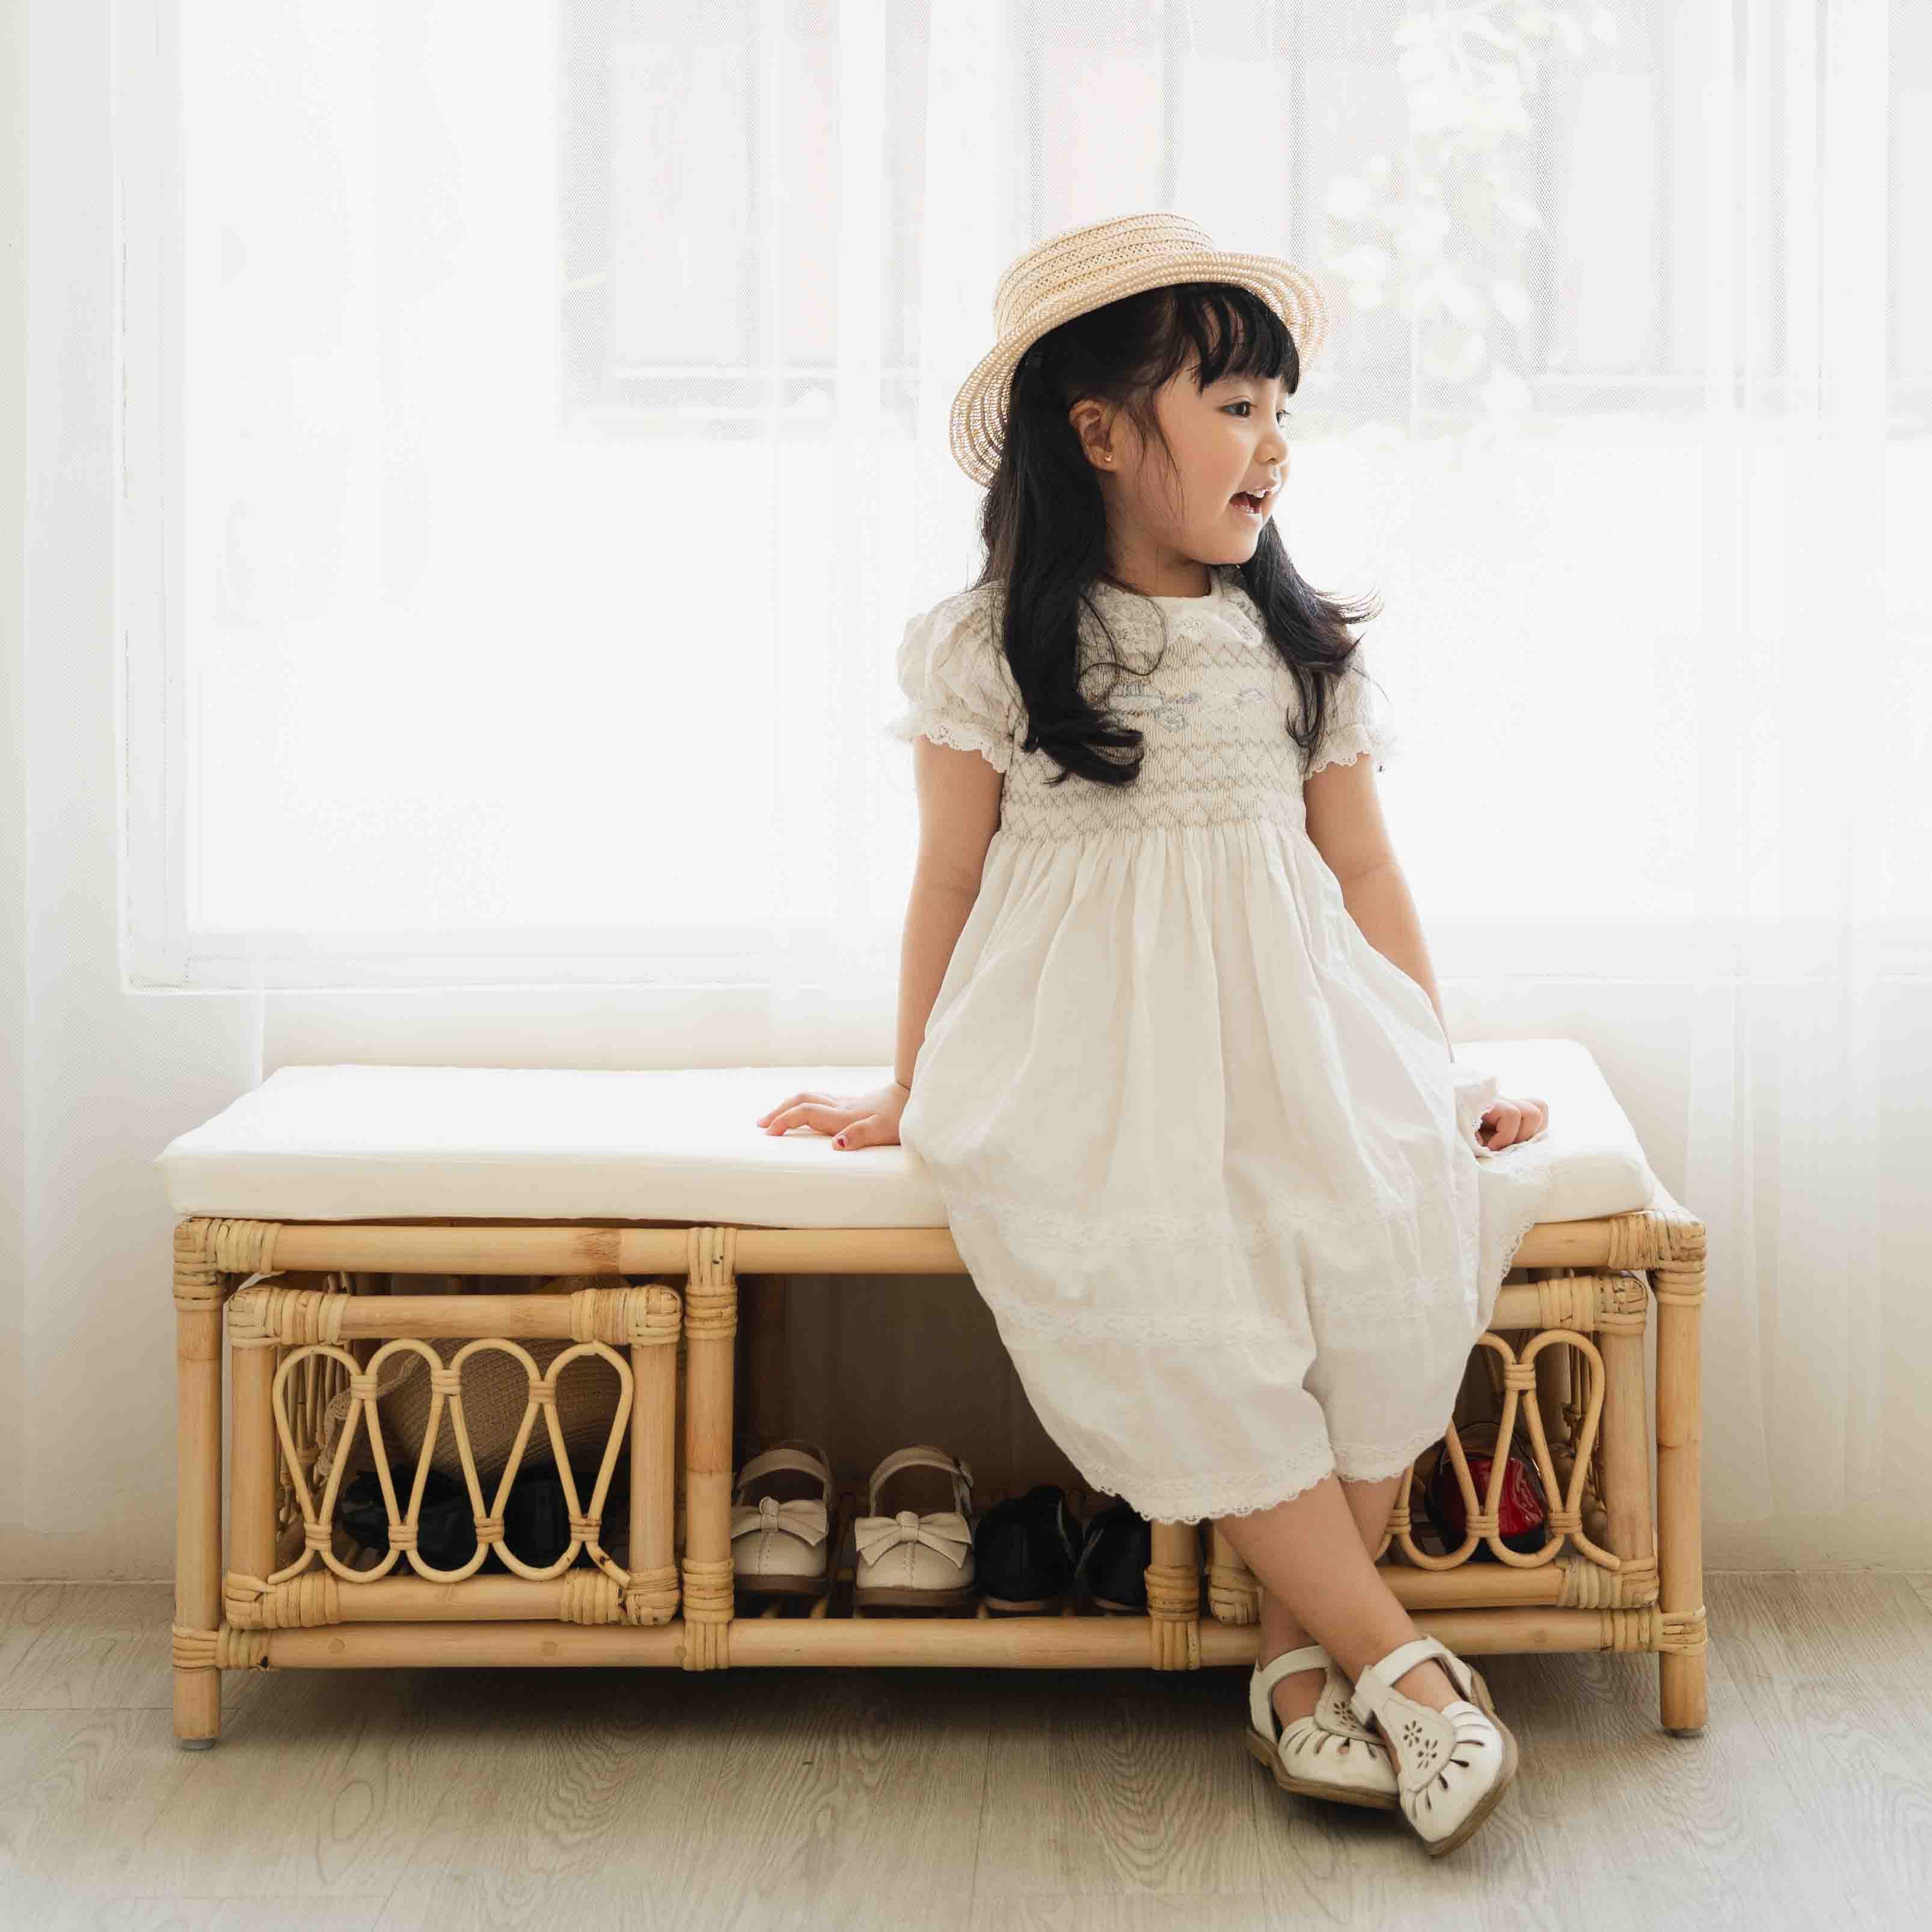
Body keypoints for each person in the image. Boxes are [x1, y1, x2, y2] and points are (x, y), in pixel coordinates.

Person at [755, 212, 1559, 1857]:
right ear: (1103, 433)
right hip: (1085, 1053)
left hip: (1290, 1020)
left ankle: (1293, 1663)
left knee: (1390, 1214)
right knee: (1175, 1266)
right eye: (1235, 406)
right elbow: (953, 875)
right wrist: (911, 1083)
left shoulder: (1292, 643)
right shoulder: (997, 648)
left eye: (1279, 411)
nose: (1273, 445)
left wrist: (1429, 1058)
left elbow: (1362, 869)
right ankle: (1402, 1669)